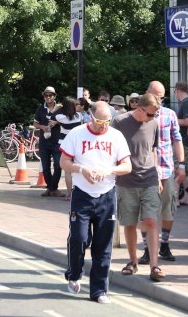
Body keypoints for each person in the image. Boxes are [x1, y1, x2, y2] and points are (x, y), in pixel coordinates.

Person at [60, 101, 132, 303]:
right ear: (90, 117)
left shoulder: (116, 136)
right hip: (82, 194)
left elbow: (127, 166)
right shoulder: (77, 133)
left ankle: (99, 291)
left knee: (103, 244)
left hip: (106, 194)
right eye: (100, 121)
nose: (103, 126)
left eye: (107, 121)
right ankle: (74, 273)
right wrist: (82, 169)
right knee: (79, 238)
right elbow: (64, 162)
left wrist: (108, 171)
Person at [112, 92, 165, 282]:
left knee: (151, 221)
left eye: (154, 114)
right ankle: (133, 262)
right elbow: (111, 148)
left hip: (149, 178)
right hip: (126, 180)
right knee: (130, 222)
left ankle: (154, 265)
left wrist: (158, 174)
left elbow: (153, 149)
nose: (152, 118)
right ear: (139, 109)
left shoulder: (154, 123)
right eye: (150, 114)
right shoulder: (119, 122)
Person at [138, 80, 185, 263]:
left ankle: (164, 244)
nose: (159, 99)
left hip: (166, 169)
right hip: (145, 170)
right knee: (146, 211)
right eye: (156, 95)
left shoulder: (169, 114)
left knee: (168, 209)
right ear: (147, 93)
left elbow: (177, 139)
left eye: (162, 96)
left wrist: (181, 164)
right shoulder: (140, 114)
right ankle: (148, 248)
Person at [34, 87, 63, 197]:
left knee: (57, 164)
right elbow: (35, 123)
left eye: (50, 95)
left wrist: (57, 123)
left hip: (57, 141)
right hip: (44, 141)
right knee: (45, 166)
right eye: (46, 95)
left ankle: (52, 188)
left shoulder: (60, 108)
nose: (48, 97)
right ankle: (50, 188)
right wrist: (42, 127)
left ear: (54, 96)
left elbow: (67, 122)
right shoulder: (40, 109)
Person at [51, 97, 82, 200]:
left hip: (63, 145)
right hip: (76, 145)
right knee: (77, 170)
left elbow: (51, 115)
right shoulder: (79, 116)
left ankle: (69, 193)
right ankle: (77, 193)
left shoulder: (60, 117)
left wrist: (59, 107)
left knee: (67, 171)